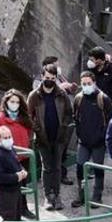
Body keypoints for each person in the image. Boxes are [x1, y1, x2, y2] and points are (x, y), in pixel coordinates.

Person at [28, 65, 73, 211]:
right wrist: (38, 129)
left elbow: (68, 112)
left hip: (59, 137)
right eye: (47, 78)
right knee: (47, 167)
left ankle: (57, 195)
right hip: (42, 138)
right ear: (42, 77)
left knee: (57, 167)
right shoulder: (34, 95)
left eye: (53, 79)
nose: (50, 81)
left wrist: (64, 126)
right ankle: (48, 196)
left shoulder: (62, 94)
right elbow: (29, 116)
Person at [0, 89, 35, 218]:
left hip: (23, 156)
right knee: (12, 186)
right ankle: (14, 211)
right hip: (8, 157)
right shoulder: (0, 119)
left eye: (17, 102)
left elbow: (29, 132)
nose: (15, 104)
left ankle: (23, 208)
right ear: (6, 102)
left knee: (23, 185)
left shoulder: (23, 117)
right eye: (12, 101)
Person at [72, 71, 112, 208]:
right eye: (84, 84)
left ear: (94, 83)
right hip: (83, 142)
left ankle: (97, 196)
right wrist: (80, 134)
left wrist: (102, 136)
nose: (86, 86)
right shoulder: (78, 99)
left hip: (99, 143)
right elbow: (76, 118)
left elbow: (110, 120)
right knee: (79, 167)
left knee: (98, 169)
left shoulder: (103, 99)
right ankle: (81, 194)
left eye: (89, 83)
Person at [42, 55, 79, 186]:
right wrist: (60, 87)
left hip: (65, 119)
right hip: (50, 122)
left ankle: (61, 175)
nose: (58, 68)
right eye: (55, 65)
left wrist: (70, 87)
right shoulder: (40, 82)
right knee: (50, 152)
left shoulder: (60, 78)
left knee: (62, 149)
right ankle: (50, 178)